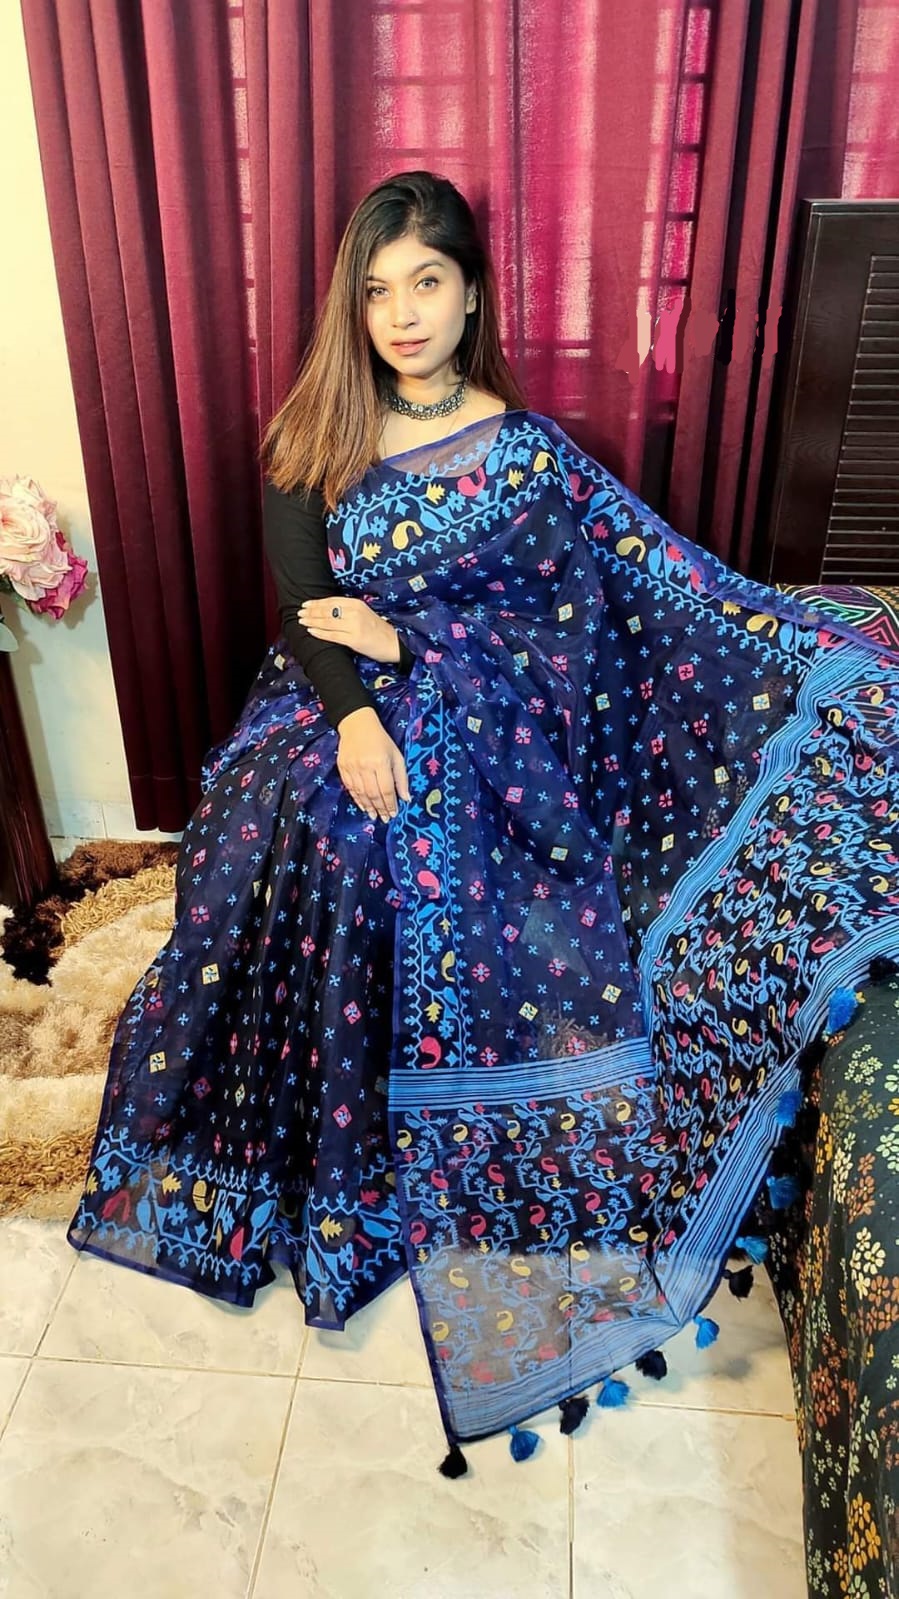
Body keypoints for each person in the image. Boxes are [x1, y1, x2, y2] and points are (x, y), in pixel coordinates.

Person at [66, 169, 899, 1476]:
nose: (402, 313)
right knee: (303, 821)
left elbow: (579, 633)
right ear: (353, 305)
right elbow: (303, 608)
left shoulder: (525, 453)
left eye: (428, 283)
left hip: (485, 710)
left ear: (471, 296)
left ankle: (422, 1156)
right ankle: (325, 1169)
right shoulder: (312, 434)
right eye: (378, 290)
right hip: (325, 701)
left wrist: (416, 648)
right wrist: (358, 716)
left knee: (411, 842)